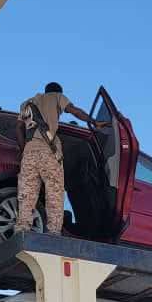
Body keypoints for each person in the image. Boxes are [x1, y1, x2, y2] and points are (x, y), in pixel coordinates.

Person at [14, 82, 107, 236]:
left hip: (30, 151)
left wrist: (24, 150)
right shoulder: (57, 96)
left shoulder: (27, 103)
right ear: (58, 92)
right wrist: (93, 121)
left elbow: (18, 128)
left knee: (27, 193)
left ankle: (22, 228)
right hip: (48, 150)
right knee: (54, 192)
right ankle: (54, 232)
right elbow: (75, 111)